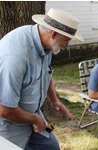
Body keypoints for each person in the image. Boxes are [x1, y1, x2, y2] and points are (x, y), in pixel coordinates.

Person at [0, 8, 82, 149]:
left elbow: (46, 72)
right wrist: (35, 119)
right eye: (66, 40)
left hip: (33, 118)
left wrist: (54, 100)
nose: (67, 44)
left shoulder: (47, 44)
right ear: (54, 34)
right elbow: (4, 109)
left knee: (52, 145)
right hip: (8, 126)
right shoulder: (15, 56)